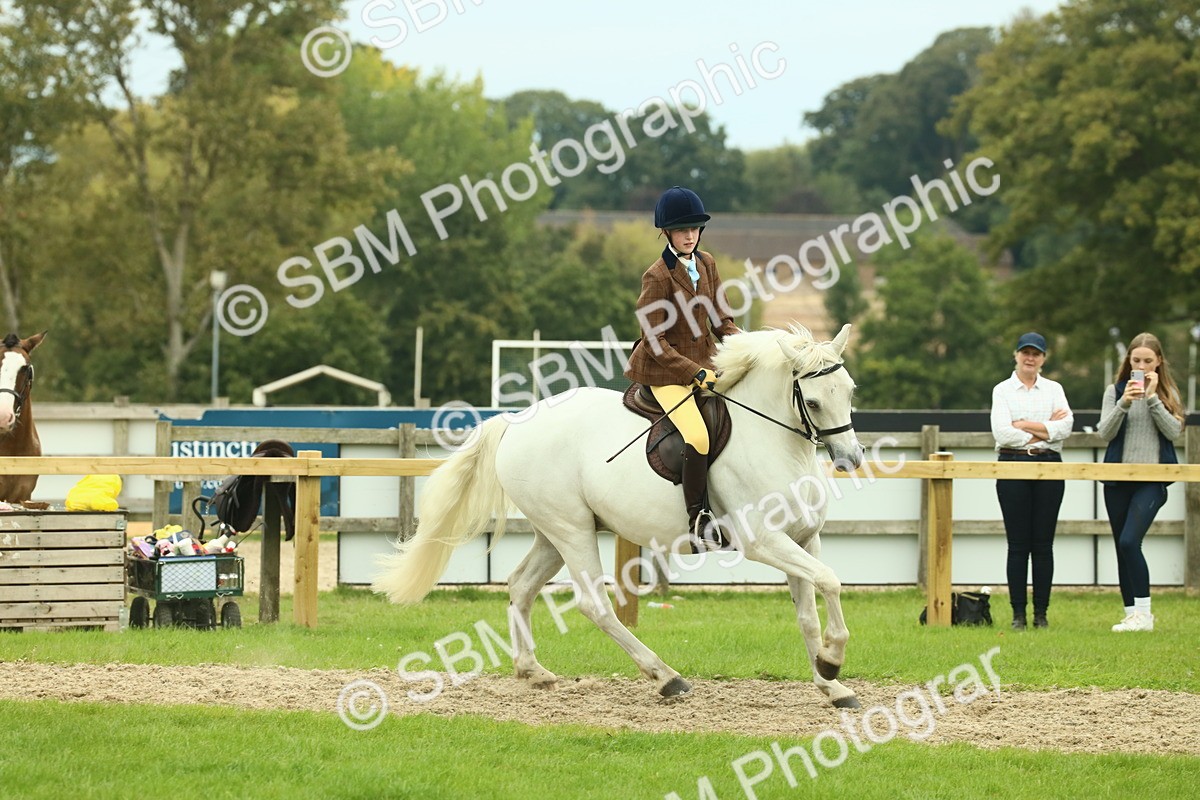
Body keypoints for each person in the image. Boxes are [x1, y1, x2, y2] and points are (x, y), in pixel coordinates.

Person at [624, 186, 739, 546]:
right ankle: (699, 518)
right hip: (665, 370)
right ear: (667, 233)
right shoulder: (656, 276)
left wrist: (751, 349)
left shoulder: (707, 263)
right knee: (698, 435)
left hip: (706, 361)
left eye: (694, 229)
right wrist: (693, 372)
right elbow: (654, 341)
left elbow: (722, 321)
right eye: (681, 230)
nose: (689, 235)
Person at [1097, 332, 1185, 633]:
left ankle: (1145, 615)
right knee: (1121, 548)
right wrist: (1123, 403)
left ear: (1159, 361)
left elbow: (1174, 432)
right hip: (1117, 479)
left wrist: (1151, 399)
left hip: (1152, 480)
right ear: (1129, 361)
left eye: (1149, 361)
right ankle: (1131, 614)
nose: (1143, 366)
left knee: (1129, 541)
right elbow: (1104, 433)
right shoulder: (1115, 391)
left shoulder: (1167, 391)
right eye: (1137, 360)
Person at [989, 332, 1074, 630]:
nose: (1030, 358)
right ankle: (1017, 614)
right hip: (1013, 463)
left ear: (1043, 358)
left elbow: (1066, 427)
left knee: (1043, 544)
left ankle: (1041, 614)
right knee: (1017, 544)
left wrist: (1023, 424)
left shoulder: (1054, 389)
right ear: (1016, 355)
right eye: (1025, 352)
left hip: (1049, 465)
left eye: (1036, 353)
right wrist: (1043, 430)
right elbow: (1002, 433)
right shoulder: (1002, 390)